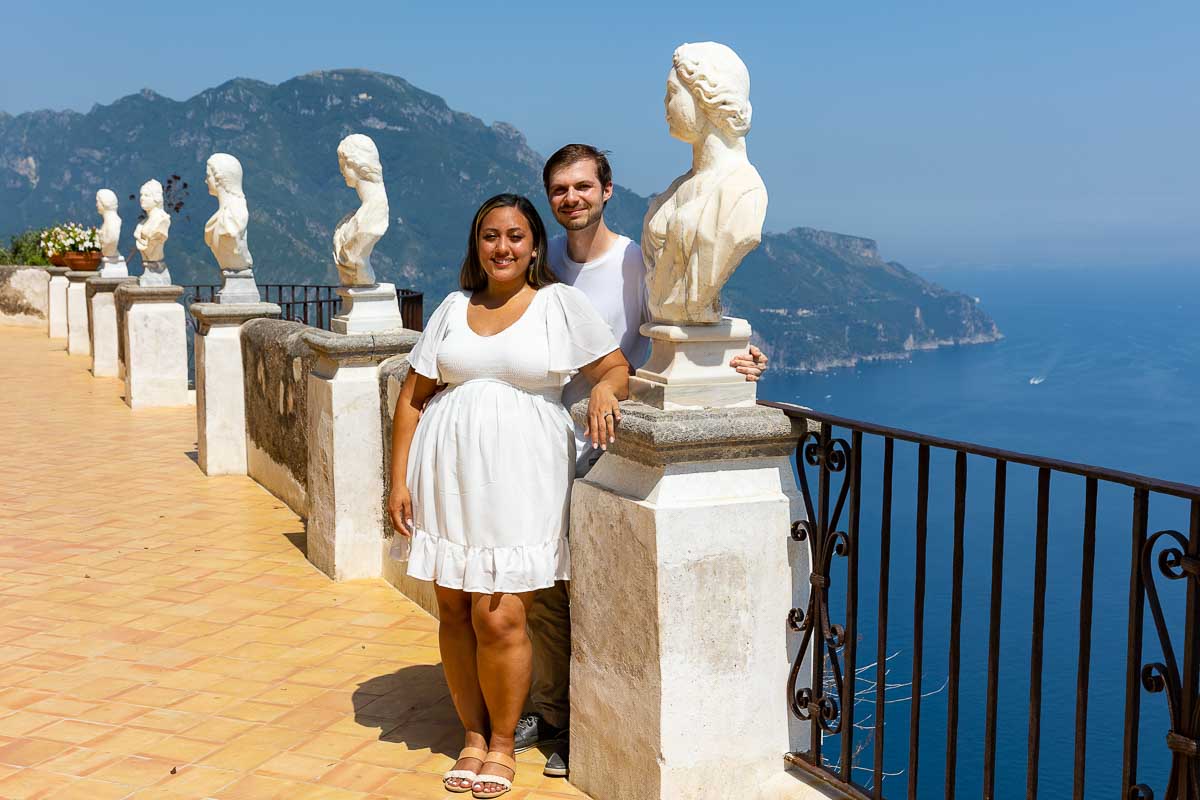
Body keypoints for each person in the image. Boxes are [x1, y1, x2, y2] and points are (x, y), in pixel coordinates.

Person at [516, 143, 770, 776]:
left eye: (582, 186)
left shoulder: (634, 260)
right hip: (541, 440)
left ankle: (586, 727)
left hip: (608, 445)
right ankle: (555, 714)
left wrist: (741, 361)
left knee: (592, 587)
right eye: (559, 190)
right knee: (542, 588)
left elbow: (676, 336)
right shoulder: (540, 261)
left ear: (606, 191)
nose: (571, 198)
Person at [387, 193, 629, 798]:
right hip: (446, 477)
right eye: (491, 236)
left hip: (521, 478)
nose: (503, 247)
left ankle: (502, 743)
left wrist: (604, 392)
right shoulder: (450, 307)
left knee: (502, 612)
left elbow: (614, 365)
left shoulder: (557, 304)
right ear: (477, 245)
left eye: (516, 236)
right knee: (452, 607)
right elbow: (413, 398)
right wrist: (397, 479)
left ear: (534, 246)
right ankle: (471, 735)